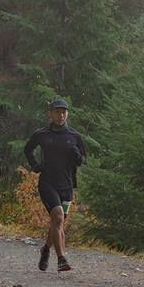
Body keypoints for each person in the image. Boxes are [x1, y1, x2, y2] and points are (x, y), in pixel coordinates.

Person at [24, 98, 87, 272]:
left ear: (67, 114)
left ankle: (45, 249)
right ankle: (61, 259)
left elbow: (83, 159)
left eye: (63, 112)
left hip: (67, 185)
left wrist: (77, 156)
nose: (60, 115)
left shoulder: (75, 136)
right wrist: (35, 165)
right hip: (47, 183)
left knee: (57, 223)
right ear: (50, 114)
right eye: (57, 112)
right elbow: (28, 149)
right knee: (58, 217)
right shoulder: (42, 134)